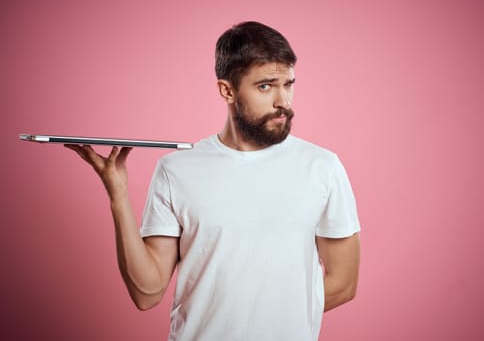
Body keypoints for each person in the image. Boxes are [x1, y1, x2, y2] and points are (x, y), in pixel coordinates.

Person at [66, 21, 361, 341]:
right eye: (265, 86)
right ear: (227, 90)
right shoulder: (176, 169)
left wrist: (272, 322)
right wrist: (118, 194)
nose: (283, 101)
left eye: (288, 84)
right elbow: (147, 293)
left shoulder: (322, 166)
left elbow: (343, 282)